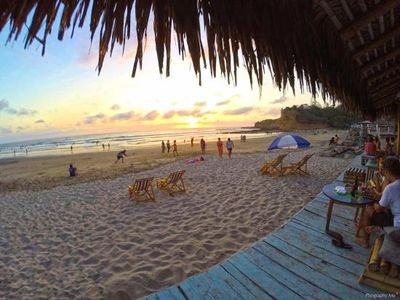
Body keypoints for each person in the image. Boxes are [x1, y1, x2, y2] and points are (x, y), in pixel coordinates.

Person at [356, 158, 400, 247]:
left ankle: (365, 240)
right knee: (374, 208)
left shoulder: (391, 187)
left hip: (397, 227)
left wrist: (376, 205)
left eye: (384, 170)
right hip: (395, 215)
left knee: (369, 208)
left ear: (387, 171)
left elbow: (378, 209)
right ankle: (369, 226)